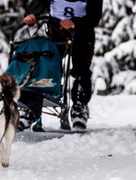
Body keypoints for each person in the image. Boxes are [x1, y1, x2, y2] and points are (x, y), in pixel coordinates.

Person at [20, 0, 103, 130]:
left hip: (83, 33)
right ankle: (31, 108)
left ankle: (79, 107)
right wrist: (31, 14)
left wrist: (74, 22)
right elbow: (36, 5)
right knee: (45, 65)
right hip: (56, 32)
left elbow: (94, 18)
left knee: (81, 69)